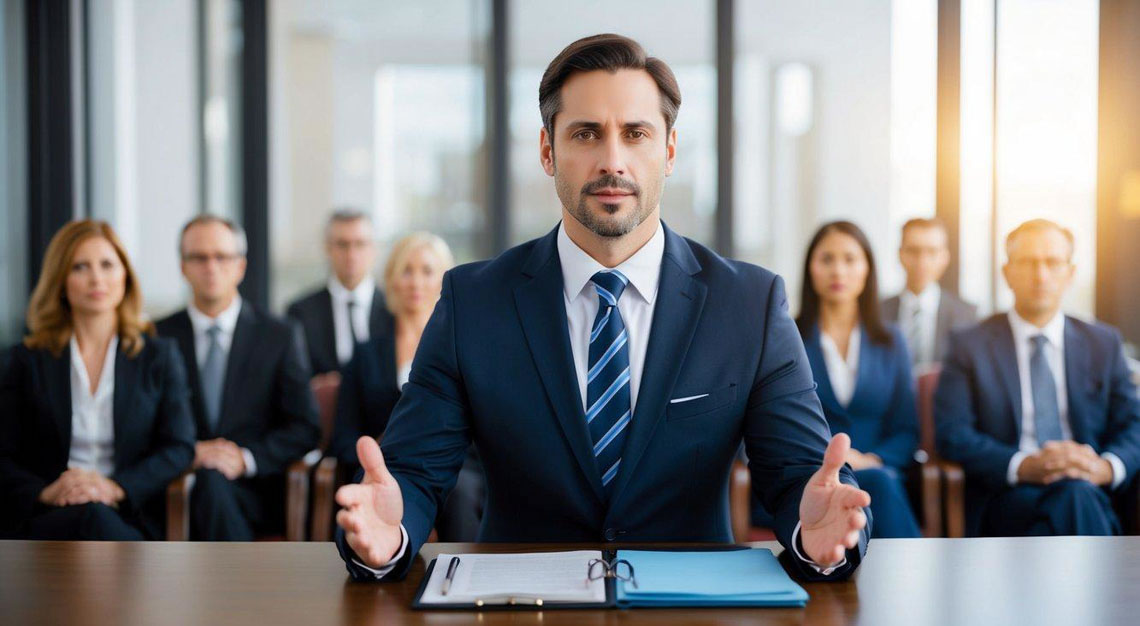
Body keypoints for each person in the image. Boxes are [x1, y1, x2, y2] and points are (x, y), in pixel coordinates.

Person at [333, 33, 870, 582]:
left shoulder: (749, 304)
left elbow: (799, 474)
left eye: (635, 134)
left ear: (669, 150)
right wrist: (389, 534)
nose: (612, 161)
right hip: (520, 606)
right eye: (586, 134)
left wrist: (816, 534)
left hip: (690, 609)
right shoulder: (473, 302)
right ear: (548, 151)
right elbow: (412, 475)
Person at [935, 219, 1140, 536]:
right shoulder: (969, 345)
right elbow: (952, 433)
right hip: (1011, 492)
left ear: (1070, 273)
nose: (1041, 275)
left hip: (1091, 485)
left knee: (1072, 496)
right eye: (1028, 262)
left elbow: (1134, 424)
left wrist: (1105, 467)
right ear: (1007, 272)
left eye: (1053, 262)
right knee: (1074, 498)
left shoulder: (1104, 343)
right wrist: (1024, 464)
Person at [0, 220, 195, 540]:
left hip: (128, 510)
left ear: (125, 277)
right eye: (80, 267)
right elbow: (3, 455)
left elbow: (179, 446)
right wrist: (46, 492)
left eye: (107, 265)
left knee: (98, 520)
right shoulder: (25, 360)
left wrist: (115, 487)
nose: (96, 278)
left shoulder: (158, 356)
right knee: (89, 519)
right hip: (51, 512)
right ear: (60, 280)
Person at [155, 215, 320, 540]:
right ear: (182, 267)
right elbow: (142, 427)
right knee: (208, 482)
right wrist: (191, 452)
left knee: (214, 483)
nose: (211, 267)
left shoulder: (280, 335)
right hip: (174, 487)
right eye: (199, 257)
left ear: (240, 266)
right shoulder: (157, 338)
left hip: (256, 489)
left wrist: (245, 460)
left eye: (222, 257)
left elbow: (305, 428)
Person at [331, 232, 484, 541]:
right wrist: (378, 449)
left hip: (456, 468)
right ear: (392, 280)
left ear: (445, 279)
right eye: (406, 270)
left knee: (460, 493)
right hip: (387, 466)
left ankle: (463, 582)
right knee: (369, 494)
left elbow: (486, 432)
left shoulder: (469, 348)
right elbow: (342, 438)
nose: (415, 282)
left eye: (427, 271)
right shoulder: (365, 355)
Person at [796, 221, 921, 538]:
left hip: (876, 469)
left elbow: (906, 428)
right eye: (827, 259)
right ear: (811, 268)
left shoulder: (891, 341)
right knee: (879, 486)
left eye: (850, 259)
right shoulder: (787, 336)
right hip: (808, 474)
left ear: (867, 269)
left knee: (878, 481)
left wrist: (871, 460)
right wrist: (833, 464)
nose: (838, 270)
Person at [287, 210, 387, 376]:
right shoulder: (300, 313)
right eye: (342, 244)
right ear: (327, 248)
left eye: (360, 244)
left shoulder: (394, 308)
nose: (351, 255)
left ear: (373, 249)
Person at [881, 217, 976, 370]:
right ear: (900, 254)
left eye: (932, 252)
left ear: (945, 257)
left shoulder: (967, 315)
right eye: (913, 251)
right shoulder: (877, 312)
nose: (922, 261)